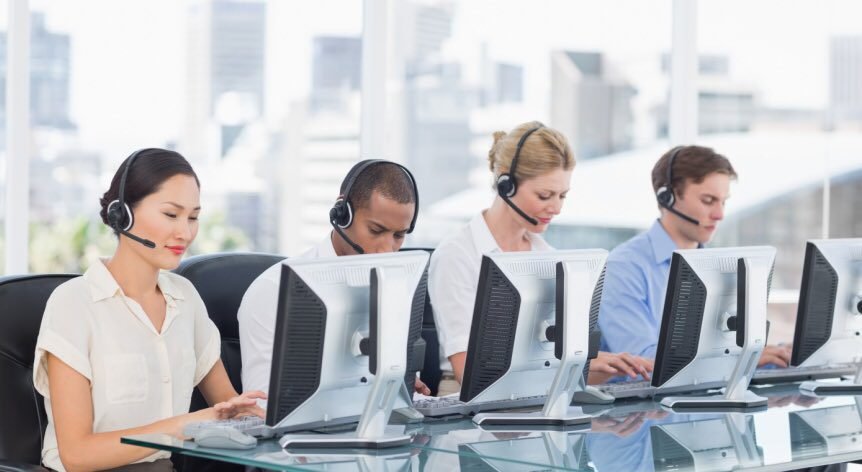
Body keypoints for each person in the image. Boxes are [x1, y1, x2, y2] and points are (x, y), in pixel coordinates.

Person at [33, 148, 264, 472]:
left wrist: (255, 416)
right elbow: (77, 454)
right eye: (171, 214)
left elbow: (226, 407)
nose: (185, 232)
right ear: (122, 215)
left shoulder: (185, 298)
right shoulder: (73, 304)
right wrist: (182, 426)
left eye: (193, 217)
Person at [428, 122, 654, 397]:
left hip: (536, 399)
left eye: (562, 196)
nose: (556, 208)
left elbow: (552, 367)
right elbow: (469, 371)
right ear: (506, 185)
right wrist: (575, 365)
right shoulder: (458, 254)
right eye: (544, 195)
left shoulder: (547, 255)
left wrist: (603, 366)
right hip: (466, 402)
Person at [238, 159, 430, 397]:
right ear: (343, 214)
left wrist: (395, 387)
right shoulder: (273, 291)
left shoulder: (397, 287)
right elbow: (260, 405)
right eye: (376, 231)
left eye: (399, 235)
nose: (387, 250)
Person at [598, 145, 791, 367]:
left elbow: (730, 349)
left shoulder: (719, 267)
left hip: (714, 388)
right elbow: (642, 362)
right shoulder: (623, 268)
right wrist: (738, 360)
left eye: (723, 202)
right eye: (708, 201)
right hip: (648, 391)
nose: (719, 214)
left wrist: (780, 355)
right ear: (668, 198)